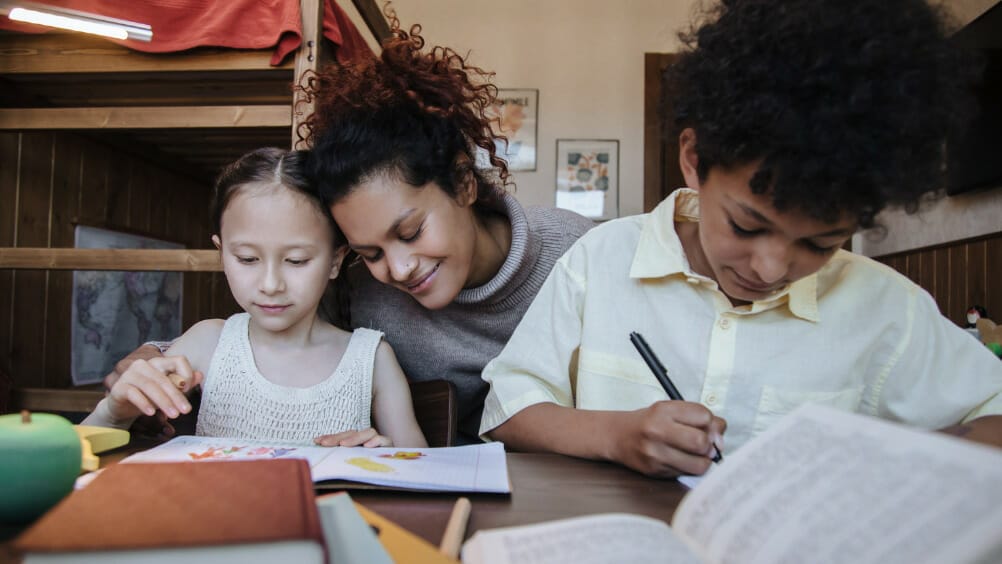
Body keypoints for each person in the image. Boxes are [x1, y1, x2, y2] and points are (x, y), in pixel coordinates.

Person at [479, 0, 1002, 477]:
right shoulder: (602, 258)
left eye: (820, 245)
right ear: (694, 160)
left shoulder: (887, 308)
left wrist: (890, 465)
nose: (771, 269)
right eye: (746, 226)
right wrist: (616, 435)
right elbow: (509, 408)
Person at [104, 13, 593, 444]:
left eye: (410, 232)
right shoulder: (360, 291)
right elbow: (268, 326)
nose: (398, 269)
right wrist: (153, 357)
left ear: (464, 183)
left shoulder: (580, 253)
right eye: (370, 252)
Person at [84, 148, 426, 448]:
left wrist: (384, 455)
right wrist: (113, 412)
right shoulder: (208, 343)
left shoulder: (371, 359)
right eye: (247, 259)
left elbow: (424, 475)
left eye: (296, 261)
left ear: (336, 260)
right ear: (221, 252)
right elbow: (79, 458)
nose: (271, 284)